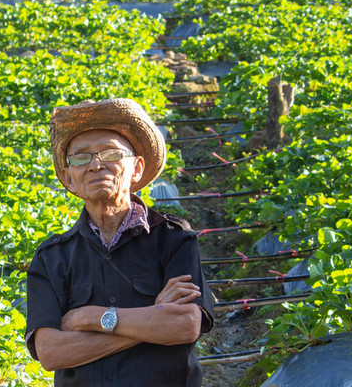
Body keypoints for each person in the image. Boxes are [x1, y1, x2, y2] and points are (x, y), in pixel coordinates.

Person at [25, 98, 214, 387]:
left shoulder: (175, 238)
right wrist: (152, 318)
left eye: (111, 153)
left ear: (136, 168)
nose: (96, 164)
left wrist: (90, 317)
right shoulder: (51, 258)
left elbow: (185, 325)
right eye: (80, 157)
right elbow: (50, 352)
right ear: (68, 178)